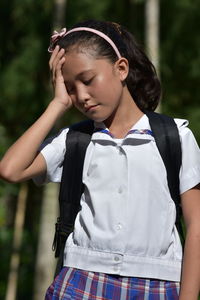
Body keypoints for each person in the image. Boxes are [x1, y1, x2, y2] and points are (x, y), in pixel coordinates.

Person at [0, 19, 200, 300]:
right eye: (69, 87)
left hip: (157, 286)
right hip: (79, 282)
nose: (81, 96)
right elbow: (11, 169)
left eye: (87, 79)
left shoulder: (175, 137)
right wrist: (57, 104)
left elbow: (197, 227)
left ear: (121, 69)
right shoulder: (74, 140)